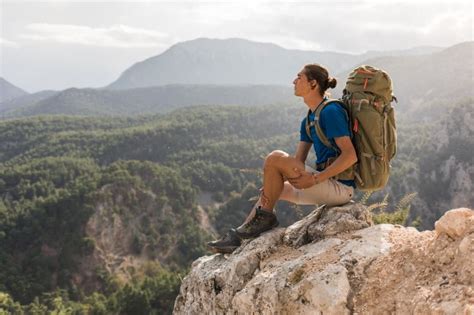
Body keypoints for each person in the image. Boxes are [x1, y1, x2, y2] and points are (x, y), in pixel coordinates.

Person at [207, 63, 357, 254]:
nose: (294, 81)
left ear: (313, 84)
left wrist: (315, 178)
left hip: (341, 189)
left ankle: (265, 218)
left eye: (299, 77)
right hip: (323, 186)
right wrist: (274, 182)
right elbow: (297, 164)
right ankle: (237, 238)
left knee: (274, 157)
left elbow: (350, 155)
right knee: (271, 190)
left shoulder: (330, 112)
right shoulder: (309, 120)